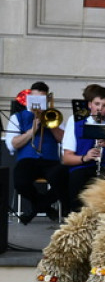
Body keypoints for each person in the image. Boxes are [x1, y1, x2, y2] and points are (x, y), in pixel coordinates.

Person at [4, 81, 65, 224]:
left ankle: (36, 208)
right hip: (28, 160)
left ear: (47, 100)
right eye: (35, 98)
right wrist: (33, 129)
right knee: (20, 182)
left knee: (65, 180)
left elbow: (63, 139)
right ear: (29, 98)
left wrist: (51, 125)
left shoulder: (54, 115)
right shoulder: (17, 117)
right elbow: (12, 144)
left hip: (50, 160)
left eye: (42, 98)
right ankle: (47, 208)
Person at [62, 84, 105, 213]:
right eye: (97, 104)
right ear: (90, 104)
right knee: (76, 182)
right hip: (82, 167)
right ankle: (78, 219)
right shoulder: (75, 121)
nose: (100, 109)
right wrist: (85, 157)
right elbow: (66, 159)